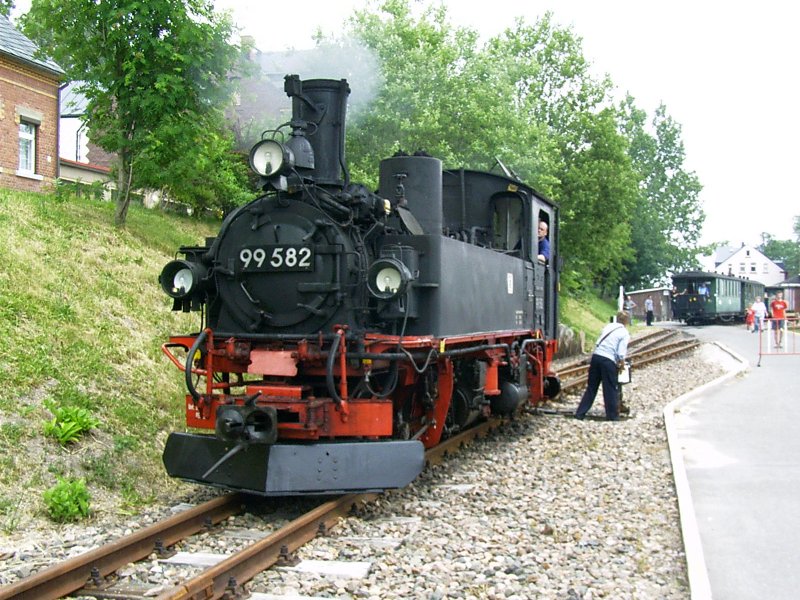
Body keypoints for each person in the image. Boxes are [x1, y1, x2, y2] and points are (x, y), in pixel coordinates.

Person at [575, 312, 631, 421]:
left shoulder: (608, 327)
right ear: (626, 321)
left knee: (591, 387)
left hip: (596, 357)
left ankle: (580, 413)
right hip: (608, 360)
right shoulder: (624, 332)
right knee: (610, 388)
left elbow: (599, 341)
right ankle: (612, 416)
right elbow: (621, 352)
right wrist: (622, 364)